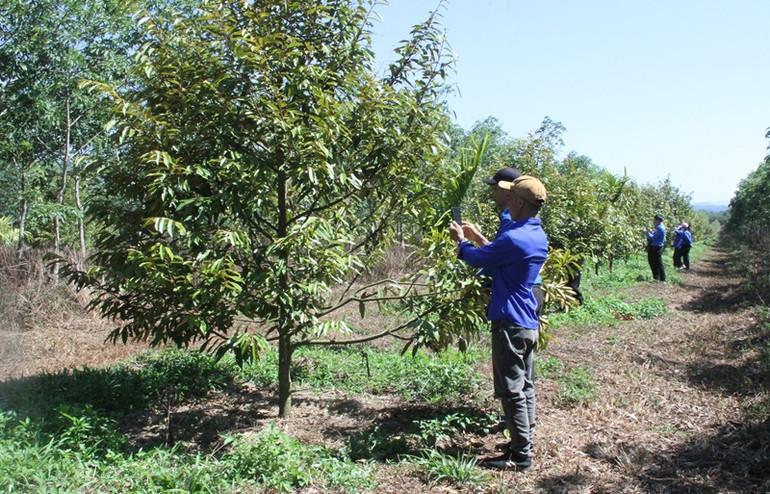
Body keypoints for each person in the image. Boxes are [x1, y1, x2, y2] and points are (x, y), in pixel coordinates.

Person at [449, 175, 548, 471]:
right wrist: (479, 238)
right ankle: (524, 441)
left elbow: (478, 260)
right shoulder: (535, 234)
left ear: (517, 201)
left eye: (510, 197)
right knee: (526, 385)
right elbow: (498, 256)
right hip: (527, 319)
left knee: (512, 390)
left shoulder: (515, 236)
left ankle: (520, 456)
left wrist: (462, 242)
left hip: (510, 321)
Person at [645, 214, 666, 282]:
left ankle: (662, 278)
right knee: (653, 261)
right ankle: (656, 277)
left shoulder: (660, 228)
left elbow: (653, 237)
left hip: (657, 247)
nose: (653, 222)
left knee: (658, 262)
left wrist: (646, 233)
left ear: (657, 220)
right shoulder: (659, 227)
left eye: (654, 220)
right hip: (654, 246)